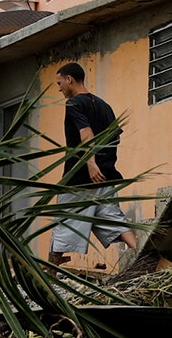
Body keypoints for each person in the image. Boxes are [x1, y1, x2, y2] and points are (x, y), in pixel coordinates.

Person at [49, 62, 138, 266]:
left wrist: (90, 163)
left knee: (64, 220)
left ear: (69, 79)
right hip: (105, 177)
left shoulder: (74, 103)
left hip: (80, 177)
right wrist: (104, 164)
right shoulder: (105, 106)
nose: (59, 88)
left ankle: (48, 276)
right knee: (114, 220)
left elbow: (86, 133)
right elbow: (115, 139)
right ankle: (144, 254)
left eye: (59, 82)